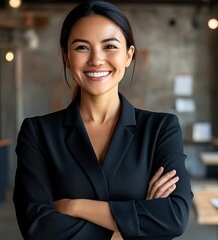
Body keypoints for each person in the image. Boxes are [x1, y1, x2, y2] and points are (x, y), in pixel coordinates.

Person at [13, 1, 193, 239]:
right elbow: (37, 227)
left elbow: (174, 217)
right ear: (66, 58)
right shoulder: (37, 132)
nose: (96, 60)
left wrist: (73, 207)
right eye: (81, 48)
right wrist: (131, 228)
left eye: (109, 46)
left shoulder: (160, 129)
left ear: (128, 55)